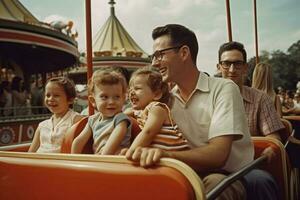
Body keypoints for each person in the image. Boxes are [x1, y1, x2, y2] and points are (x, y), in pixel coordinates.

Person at [125, 24, 253, 199]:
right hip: (183, 171)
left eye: (160, 54)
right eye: (153, 56)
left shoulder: (224, 89)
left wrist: (166, 154)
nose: (154, 62)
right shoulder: (165, 100)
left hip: (227, 173)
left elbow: (218, 155)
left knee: (214, 187)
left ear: (184, 53)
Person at [217, 41, 283, 200]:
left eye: (237, 64)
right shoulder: (206, 99)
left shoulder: (260, 99)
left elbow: (274, 138)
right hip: (215, 166)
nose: (232, 70)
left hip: (248, 166)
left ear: (245, 68)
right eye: (226, 64)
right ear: (219, 67)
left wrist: (270, 148)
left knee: (261, 181)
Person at [125, 66, 189, 151]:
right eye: (130, 89)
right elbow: (127, 113)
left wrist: (131, 152)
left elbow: (148, 132)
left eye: (137, 88)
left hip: (175, 157)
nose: (131, 93)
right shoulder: (140, 112)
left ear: (156, 94)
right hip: (157, 154)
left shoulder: (157, 108)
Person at [71, 70, 132, 155]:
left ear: (123, 98)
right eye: (104, 97)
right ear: (93, 100)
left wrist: (103, 156)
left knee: (123, 152)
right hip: (100, 158)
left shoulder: (121, 119)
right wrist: (74, 159)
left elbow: (116, 138)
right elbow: (79, 141)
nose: (111, 102)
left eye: (117, 97)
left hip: (115, 158)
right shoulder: (92, 120)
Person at [28, 77, 83, 153]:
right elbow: (31, 153)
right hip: (39, 162)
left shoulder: (76, 120)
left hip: (60, 162)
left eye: (56, 95)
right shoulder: (42, 126)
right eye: (48, 95)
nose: (51, 99)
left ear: (70, 99)